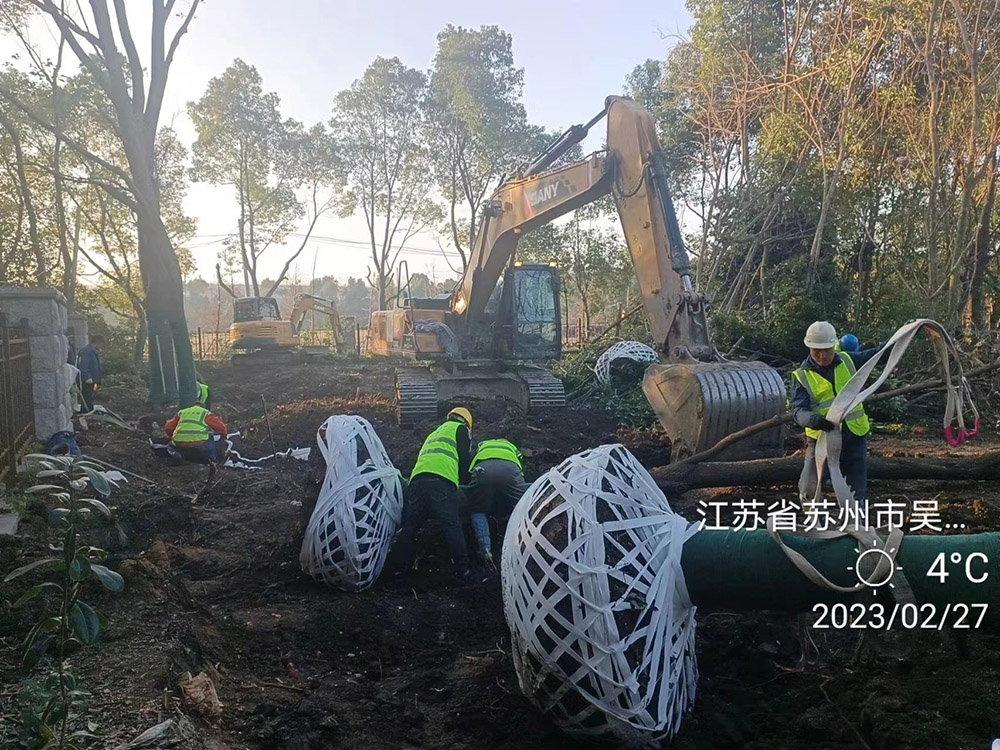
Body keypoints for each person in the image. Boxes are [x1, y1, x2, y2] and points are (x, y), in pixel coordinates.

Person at [791, 321, 883, 505]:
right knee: (808, 489)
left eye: (827, 350)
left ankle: (856, 528)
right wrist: (814, 420)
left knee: (857, 493)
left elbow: (879, 355)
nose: (822, 356)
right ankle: (816, 528)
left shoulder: (849, 360)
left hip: (854, 436)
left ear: (834, 346)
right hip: (821, 439)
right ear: (809, 347)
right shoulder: (801, 376)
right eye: (817, 351)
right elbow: (798, 411)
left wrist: (905, 333)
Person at [392, 407, 473, 579]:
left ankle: (397, 569)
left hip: (417, 480)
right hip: (441, 480)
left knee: (411, 526)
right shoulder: (460, 429)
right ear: (466, 422)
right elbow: (465, 460)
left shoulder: (435, 432)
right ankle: (463, 570)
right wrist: (466, 479)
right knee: (451, 524)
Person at [465, 438, 530, 572]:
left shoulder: (482, 445)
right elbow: (520, 467)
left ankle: (485, 549)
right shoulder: (510, 446)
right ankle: (526, 543)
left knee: (477, 509)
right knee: (524, 504)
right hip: (509, 469)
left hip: (482, 469)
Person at [164, 396, 228, 466]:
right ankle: (211, 460)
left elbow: (168, 427)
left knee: (170, 445)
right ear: (203, 407)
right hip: (199, 444)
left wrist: (172, 436)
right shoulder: (205, 413)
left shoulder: (182, 412)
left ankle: (176, 455)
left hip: (180, 444)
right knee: (210, 437)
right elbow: (221, 427)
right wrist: (223, 436)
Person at [76, 334, 104, 413]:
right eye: (101, 343)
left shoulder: (93, 351)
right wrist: (87, 377)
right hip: (87, 381)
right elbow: (84, 365)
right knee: (87, 399)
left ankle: (88, 412)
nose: (102, 345)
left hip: (92, 380)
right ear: (97, 342)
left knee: (89, 398)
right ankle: (87, 413)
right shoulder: (87, 351)